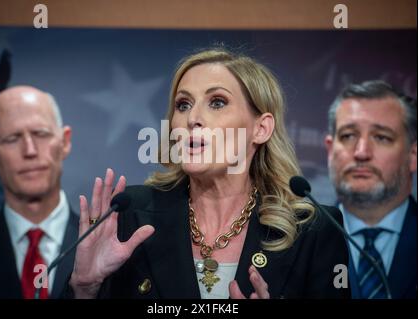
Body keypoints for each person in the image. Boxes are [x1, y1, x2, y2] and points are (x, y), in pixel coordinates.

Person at [68, 48, 350, 299]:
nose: (192, 119)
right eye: (183, 104)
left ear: (260, 128)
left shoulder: (313, 230)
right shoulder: (129, 215)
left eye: (217, 102)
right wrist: (85, 288)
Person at [0, 86, 79, 299]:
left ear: (64, 142)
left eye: (41, 134)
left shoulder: (104, 247)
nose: (30, 150)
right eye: (12, 139)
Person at [325, 80, 417, 299]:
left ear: (413, 155)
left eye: (381, 137)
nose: (361, 152)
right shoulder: (295, 243)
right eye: (348, 136)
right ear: (330, 150)